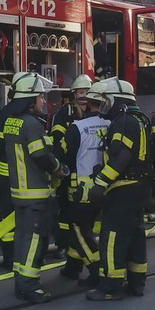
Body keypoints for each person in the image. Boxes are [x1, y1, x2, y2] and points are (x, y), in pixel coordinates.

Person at [2, 72, 68, 304]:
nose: (43, 101)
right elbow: (40, 154)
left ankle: (21, 282)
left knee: (22, 238)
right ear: (29, 99)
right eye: (40, 97)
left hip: (19, 193)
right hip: (35, 193)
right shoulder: (31, 125)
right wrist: (59, 167)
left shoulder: (12, 122)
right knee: (34, 241)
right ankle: (29, 286)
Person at [85, 78, 152, 301]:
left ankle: (110, 287)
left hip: (122, 190)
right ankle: (136, 283)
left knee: (113, 237)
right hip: (139, 188)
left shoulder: (123, 122)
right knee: (135, 237)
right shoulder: (139, 120)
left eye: (106, 101)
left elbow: (122, 157)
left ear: (118, 101)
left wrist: (101, 182)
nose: (104, 106)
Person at [58, 80, 111, 287]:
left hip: (80, 191)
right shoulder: (110, 125)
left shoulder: (76, 128)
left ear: (87, 103)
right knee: (84, 227)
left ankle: (97, 270)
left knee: (78, 229)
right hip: (103, 188)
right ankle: (72, 267)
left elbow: (65, 159)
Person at [0, 72, 30, 269]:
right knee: (27, 218)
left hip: (5, 176)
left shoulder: (1, 115)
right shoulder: (30, 117)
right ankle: (28, 256)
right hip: (28, 177)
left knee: (7, 219)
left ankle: (9, 259)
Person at [49, 74, 93, 263]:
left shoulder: (94, 112)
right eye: (81, 92)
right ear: (75, 94)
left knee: (84, 215)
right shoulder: (64, 114)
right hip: (69, 173)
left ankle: (77, 249)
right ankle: (62, 246)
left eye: (87, 92)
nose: (84, 97)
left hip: (89, 174)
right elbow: (57, 143)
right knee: (65, 212)